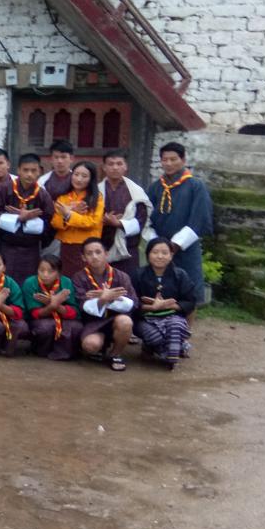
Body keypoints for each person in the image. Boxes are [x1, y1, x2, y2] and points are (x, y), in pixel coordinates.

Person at [146, 142, 214, 307]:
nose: (168, 164)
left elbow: (200, 219)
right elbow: (146, 216)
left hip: (185, 248)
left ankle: (187, 327)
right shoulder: (156, 187)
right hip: (159, 249)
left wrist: (174, 245)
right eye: (164, 160)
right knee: (158, 288)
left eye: (173, 159)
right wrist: (156, 243)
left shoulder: (195, 186)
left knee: (189, 288)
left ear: (183, 160)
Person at [73, 237, 137, 372]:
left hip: (116, 320)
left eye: (98, 252)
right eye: (89, 254)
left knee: (125, 322)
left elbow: (133, 303)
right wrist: (102, 299)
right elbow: (80, 304)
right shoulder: (79, 277)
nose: (94, 257)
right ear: (83, 257)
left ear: (106, 254)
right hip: (93, 322)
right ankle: (100, 348)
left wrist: (110, 299)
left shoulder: (121, 276)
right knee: (90, 345)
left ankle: (116, 354)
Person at [0, 153, 54, 283]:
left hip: (31, 248)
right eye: (25, 170)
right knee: (6, 280)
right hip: (7, 244)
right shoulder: (3, 189)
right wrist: (17, 219)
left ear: (39, 172)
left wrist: (32, 222)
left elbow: (49, 221)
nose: (29, 174)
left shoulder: (43, 195)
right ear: (18, 170)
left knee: (29, 280)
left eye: (33, 170)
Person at [134, 237, 196, 368]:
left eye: (164, 253)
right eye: (155, 252)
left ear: (171, 255)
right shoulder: (138, 275)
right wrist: (151, 307)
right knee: (154, 337)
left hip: (173, 316)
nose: (160, 256)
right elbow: (131, 301)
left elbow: (190, 300)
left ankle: (171, 359)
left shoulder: (180, 275)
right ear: (148, 255)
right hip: (145, 319)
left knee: (176, 325)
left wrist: (171, 305)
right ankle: (165, 347)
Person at [100, 149, 153, 277]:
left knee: (127, 288)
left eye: (119, 164)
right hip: (101, 248)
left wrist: (119, 223)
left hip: (128, 249)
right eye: (111, 164)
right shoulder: (97, 190)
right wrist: (103, 220)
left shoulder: (136, 191)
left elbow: (141, 220)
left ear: (125, 167)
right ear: (104, 167)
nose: (115, 167)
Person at [50, 161, 105, 279]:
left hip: (88, 247)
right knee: (68, 279)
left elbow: (92, 222)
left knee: (87, 280)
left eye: (84, 176)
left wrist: (69, 214)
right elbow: (55, 222)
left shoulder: (96, 198)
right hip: (67, 247)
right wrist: (70, 211)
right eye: (76, 174)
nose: (79, 179)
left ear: (91, 179)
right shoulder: (63, 197)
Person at [21, 255, 81, 361]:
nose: (45, 275)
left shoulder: (66, 282)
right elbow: (35, 314)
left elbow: (74, 312)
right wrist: (52, 305)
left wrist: (56, 305)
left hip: (63, 317)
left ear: (58, 273)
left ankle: (63, 354)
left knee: (75, 327)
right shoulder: (30, 283)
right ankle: (41, 351)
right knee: (45, 327)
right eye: (41, 270)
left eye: (50, 271)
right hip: (40, 319)